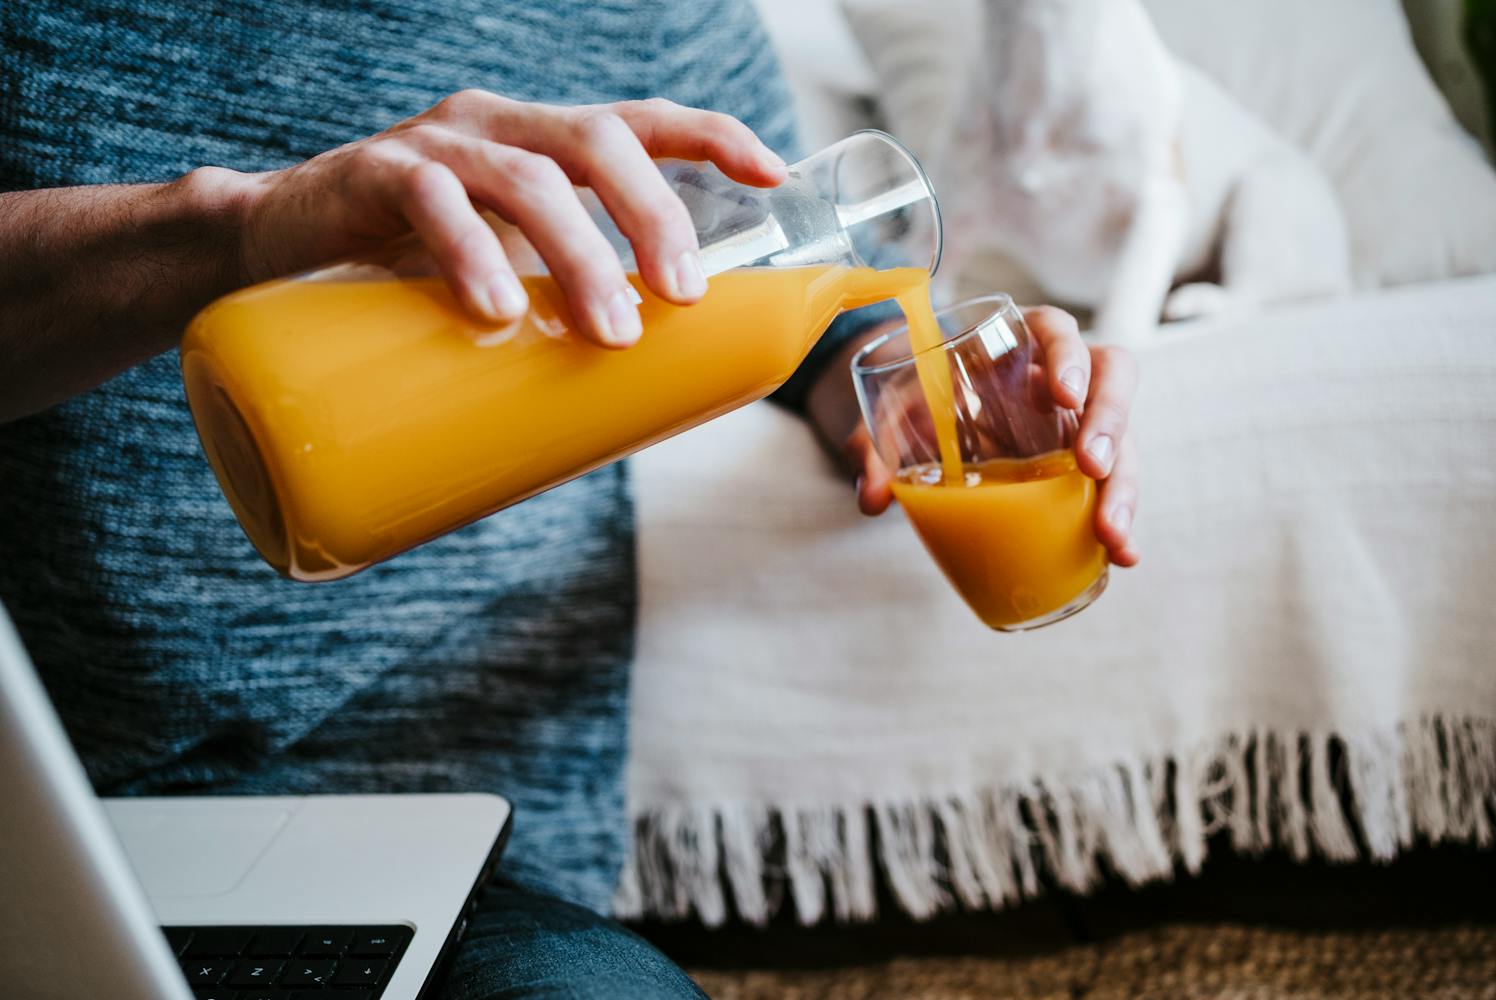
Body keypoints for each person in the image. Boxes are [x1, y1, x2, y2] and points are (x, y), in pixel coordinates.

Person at [0, 1, 1140, 996]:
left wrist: (943, 400)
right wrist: (234, 227)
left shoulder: (661, 15)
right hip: (46, 810)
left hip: (452, 848)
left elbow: (825, 299)